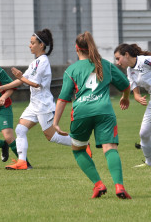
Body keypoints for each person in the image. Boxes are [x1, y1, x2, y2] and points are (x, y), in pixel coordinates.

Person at [53, 32, 132, 199]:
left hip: (81, 112)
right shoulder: (106, 65)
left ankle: (99, 184)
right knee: (110, 149)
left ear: (76, 49)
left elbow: (62, 99)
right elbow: (125, 85)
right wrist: (125, 98)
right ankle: (119, 186)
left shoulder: (71, 70)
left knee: (79, 150)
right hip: (104, 111)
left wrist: (56, 123)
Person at [0, 29, 74, 170]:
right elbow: (22, 80)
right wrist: (3, 88)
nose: (29, 45)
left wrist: (20, 77)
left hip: (43, 104)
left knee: (51, 136)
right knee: (20, 129)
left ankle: (81, 144)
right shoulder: (35, 62)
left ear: (41, 45)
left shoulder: (43, 62)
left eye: (32, 43)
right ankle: (22, 162)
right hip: (34, 104)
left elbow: (34, 83)